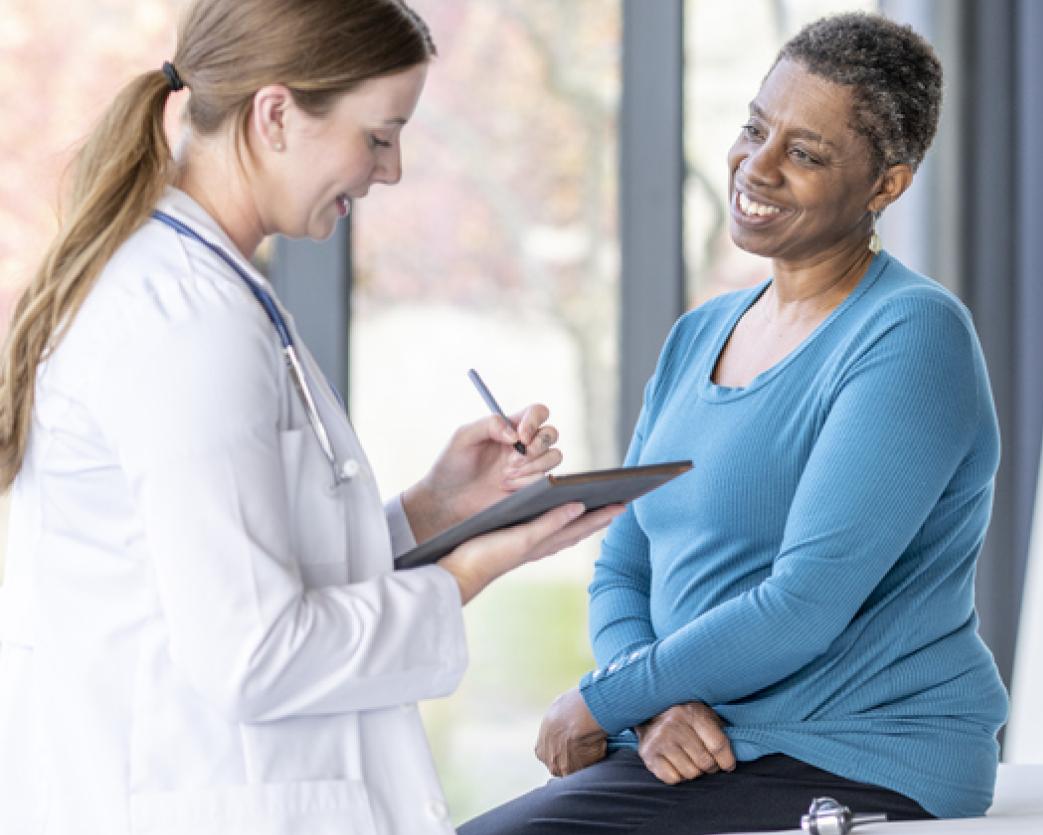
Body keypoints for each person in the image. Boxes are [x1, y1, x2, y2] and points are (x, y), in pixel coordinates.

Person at [0, 1, 621, 833]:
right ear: (276, 115)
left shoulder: (205, 290)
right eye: (378, 135)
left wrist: (436, 508)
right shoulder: (185, 321)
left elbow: (253, 566)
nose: (391, 170)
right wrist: (467, 571)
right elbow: (252, 654)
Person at [460, 12, 1008, 835]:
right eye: (756, 128)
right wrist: (649, 707)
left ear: (886, 185)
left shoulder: (909, 336)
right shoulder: (699, 335)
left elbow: (802, 604)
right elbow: (624, 566)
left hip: (851, 751)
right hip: (701, 741)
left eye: (805, 152)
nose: (757, 165)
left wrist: (599, 702)